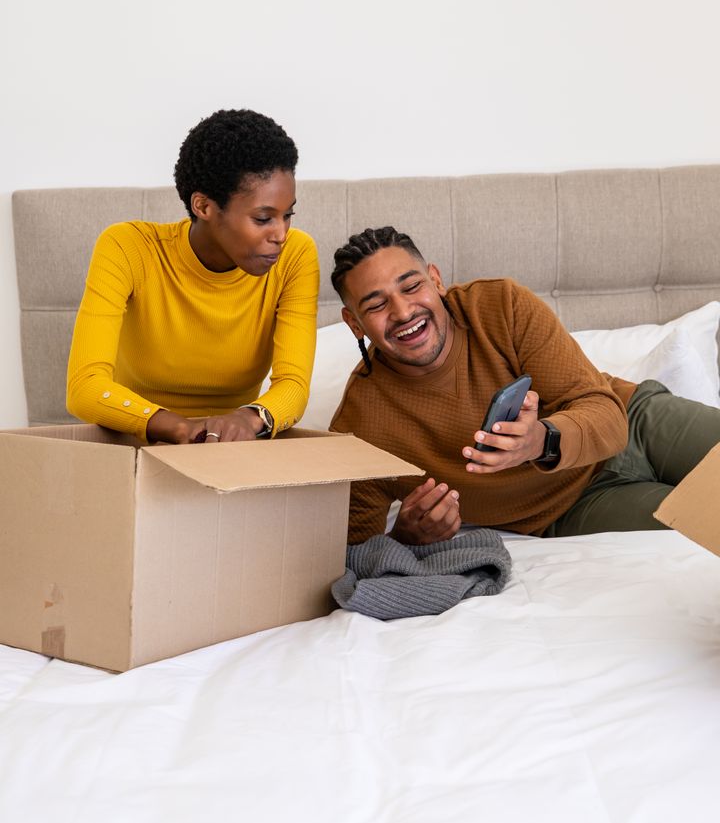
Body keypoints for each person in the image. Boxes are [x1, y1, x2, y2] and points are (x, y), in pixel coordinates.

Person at [329, 226, 720, 545]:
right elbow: (351, 552)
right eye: (376, 305)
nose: (402, 311)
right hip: (569, 507)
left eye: (412, 286)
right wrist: (406, 536)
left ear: (436, 280)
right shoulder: (361, 426)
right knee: (708, 524)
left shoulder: (500, 306)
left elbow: (608, 419)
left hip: (636, 420)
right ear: (354, 323)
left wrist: (539, 441)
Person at [67, 108, 319, 444]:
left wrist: (250, 418)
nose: (281, 234)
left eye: (287, 215)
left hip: (235, 444)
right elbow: (85, 386)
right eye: (263, 219)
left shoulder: (296, 256)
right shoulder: (127, 248)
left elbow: (293, 385)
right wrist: (180, 428)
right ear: (203, 206)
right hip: (134, 440)